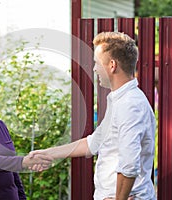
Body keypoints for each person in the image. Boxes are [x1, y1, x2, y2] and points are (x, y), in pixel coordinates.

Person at [30, 32, 156, 200]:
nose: (94, 69)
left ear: (112, 65)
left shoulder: (129, 105)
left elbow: (129, 165)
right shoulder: (120, 100)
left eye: (97, 63)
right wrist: (48, 153)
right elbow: (93, 142)